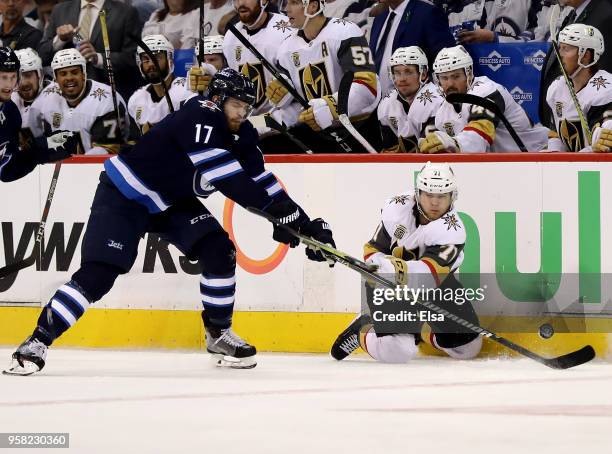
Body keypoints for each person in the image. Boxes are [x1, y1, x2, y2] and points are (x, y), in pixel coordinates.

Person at [4, 68, 336, 375]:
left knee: (219, 251)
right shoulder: (200, 116)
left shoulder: (241, 133)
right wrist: (276, 213)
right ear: (217, 100)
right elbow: (230, 181)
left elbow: (261, 180)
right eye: (236, 105)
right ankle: (36, 342)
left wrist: (304, 224)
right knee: (98, 275)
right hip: (126, 195)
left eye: (247, 107)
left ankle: (219, 334)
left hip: (171, 201)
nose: (242, 114)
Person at [330, 162, 482, 363]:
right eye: (429, 195)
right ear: (418, 193)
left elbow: (429, 276)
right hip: (388, 287)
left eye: (441, 196)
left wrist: (395, 269)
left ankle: (421, 331)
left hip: (435, 288)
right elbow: (372, 250)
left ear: (452, 196)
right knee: (399, 351)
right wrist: (379, 267)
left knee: (468, 347)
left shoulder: (452, 232)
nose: (434, 203)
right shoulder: (397, 208)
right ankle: (365, 330)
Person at [259, 0, 380, 153]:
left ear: (313, 6)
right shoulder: (286, 49)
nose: (287, 9)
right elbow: (300, 104)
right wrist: (277, 119)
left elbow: (367, 87)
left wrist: (331, 107)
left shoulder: (345, 32)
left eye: (294, 3)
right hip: (320, 135)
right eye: (286, 3)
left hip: (360, 128)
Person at [418, 45, 548, 153]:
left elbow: (478, 138)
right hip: (508, 165)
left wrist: (452, 143)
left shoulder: (487, 91)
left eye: (456, 76)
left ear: (468, 74)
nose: (450, 83)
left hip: (539, 154)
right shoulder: (443, 114)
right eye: (444, 78)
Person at [0, 46, 80, 183]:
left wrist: (47, 146)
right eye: (3, 77)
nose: (9, 84)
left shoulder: (10, 111)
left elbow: (8, 169)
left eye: (13, 77)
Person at [37, 0, 143, 100]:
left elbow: (133, 58)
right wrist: (59, 40)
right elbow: (41, 55)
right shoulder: (60, 10)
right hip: (66, 99)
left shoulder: (126, 12)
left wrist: (98, 58)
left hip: (108, 96)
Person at [30, 48, 130, 154]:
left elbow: (108, 151)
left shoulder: (107, 100)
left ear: (83, 74)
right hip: (60, 166)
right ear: (55, 78)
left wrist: (76, 167)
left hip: (100, 166)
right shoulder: (45, 98)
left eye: (74, 72)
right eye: (63, 74)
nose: (69, 78)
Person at [539, 0, 612, 128]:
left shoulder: (605, 14)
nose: (561, 53)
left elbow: (600, 67)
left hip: (590, 121)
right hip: (562, 117)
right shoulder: (575, 13)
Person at [546, 23, 612, 152]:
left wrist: (574, 164)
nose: (560, 55)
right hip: (573, 166)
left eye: (566, 49)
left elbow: (601, 147)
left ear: (585, 56)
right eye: (560, 48)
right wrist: (553, 157)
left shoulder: (606, 89)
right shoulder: (556, 88)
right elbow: (556, 135)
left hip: (597, 170)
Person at [223, 0, 294, 116]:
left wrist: (291, 86)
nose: (241, 3)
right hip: (246, 119)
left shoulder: (287, 29)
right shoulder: (231, 35)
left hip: (283, 118)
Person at [369, 0, 454, 96]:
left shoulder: (427, 14)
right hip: (379, 105)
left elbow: (446, 62)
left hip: (416, 103)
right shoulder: (379, 18)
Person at [377, 46, 442, 152]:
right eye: (397, 73)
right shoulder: (387, 104)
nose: (402, 79)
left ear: (423, 74)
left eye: (408, 72)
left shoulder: (436, 100)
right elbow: (390, 148)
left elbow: (433, 152)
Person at [128, 34, 195, 135]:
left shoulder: (188, 90)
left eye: (157, 57)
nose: (151, 64)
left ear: (170, 60)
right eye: (145, 59)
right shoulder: (136, 99)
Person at [11, 48, 45, 146]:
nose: (23, 83)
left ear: (39, 75)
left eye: (28, 75)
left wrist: (33, 144)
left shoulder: (55, 96)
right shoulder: (10, 98)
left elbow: (65, 140)